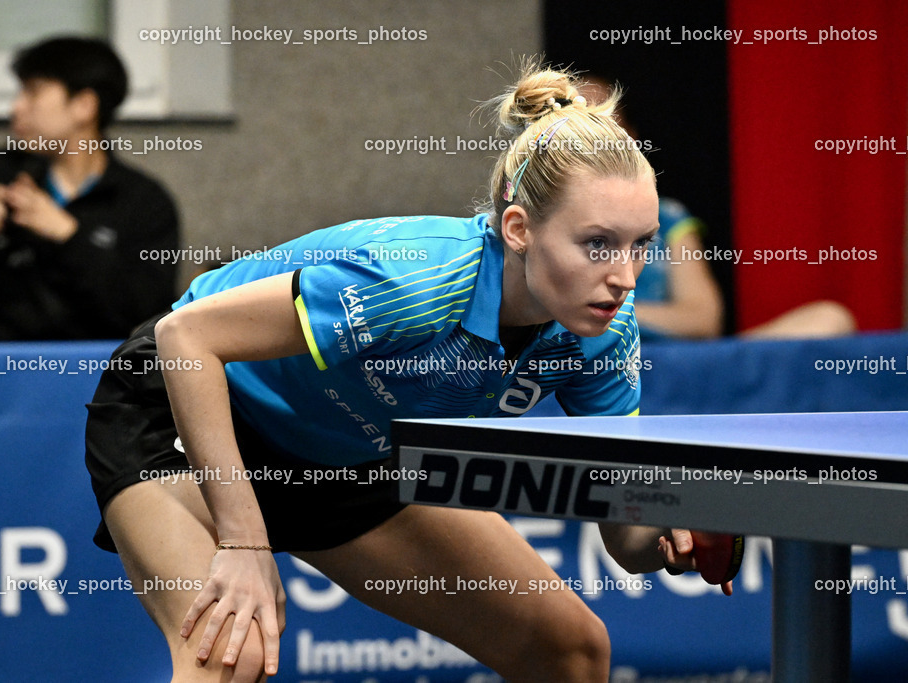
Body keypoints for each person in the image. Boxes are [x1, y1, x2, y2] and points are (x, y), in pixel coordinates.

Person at [85, 60, 724, 682]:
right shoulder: (417, 278)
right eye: (597, 245)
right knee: (230, 656)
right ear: (519, 228)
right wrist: (245, 541)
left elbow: (624, 534)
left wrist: (674, 523)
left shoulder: (606, 330)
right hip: (190, 408)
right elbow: (186, 336)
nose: (624, 277)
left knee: (569, 651)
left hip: (352, 454)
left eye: (641, 246)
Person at [0, 36, 179, 341]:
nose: (16, 107)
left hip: (94, 376)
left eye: (32, 92)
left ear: (84, 106)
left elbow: (150, 315)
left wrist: (69, 236)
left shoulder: (143, 201)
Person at [576, 76, 855, 340]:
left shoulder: (667, 216)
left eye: (606, 127)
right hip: (590, 363)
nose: (594, 144)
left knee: (830, 318)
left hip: (674, 363)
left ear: (631, 139)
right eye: (579, 130)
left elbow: (703, 320)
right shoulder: (542, 218)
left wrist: (607, 310)